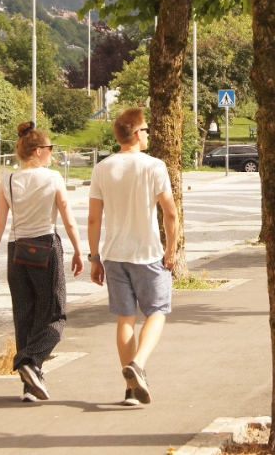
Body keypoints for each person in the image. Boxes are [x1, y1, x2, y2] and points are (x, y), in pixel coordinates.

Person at [0, 121, 84, 402]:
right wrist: (79, 251)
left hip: (16, 252)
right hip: (45, 248)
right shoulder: (52, 178)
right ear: (38, 150)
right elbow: (68, 219)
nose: (52, 153)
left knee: (24, 317)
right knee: (54, 314)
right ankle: (31, 360)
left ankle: (30, 386)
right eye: (50, 148)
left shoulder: (8, 180)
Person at [88, 108, 178, 406]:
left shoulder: (102, 168)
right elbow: (170, 213)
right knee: (157, 311)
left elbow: (92, 219)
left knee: (124, 320)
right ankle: (138, 365)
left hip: (114, 255)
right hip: (148, 253)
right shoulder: (154, 166)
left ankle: (130, 391)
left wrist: (94, 257)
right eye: (147, 130)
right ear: (137, 134)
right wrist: (171, 250)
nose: (148, 134)